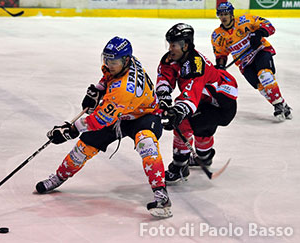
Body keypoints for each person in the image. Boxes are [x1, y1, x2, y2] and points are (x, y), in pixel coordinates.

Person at [35, 36, 172, 218]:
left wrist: (70, 130)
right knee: (83, 148)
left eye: (112, 61)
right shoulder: (126, 63)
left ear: (125, 60)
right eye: (106, 59)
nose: (108, 64)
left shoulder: (124, 90)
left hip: (144, 115)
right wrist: (99, 89)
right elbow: (108, 77)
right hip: (120, 114)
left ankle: (161, 195)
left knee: (146, 144)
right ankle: (59, 177)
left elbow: (97, 120)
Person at [156, 23, 238, 183]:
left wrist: (176, 112)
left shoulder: (195, 66)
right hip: (206, 100)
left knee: (184, 123)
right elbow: (165, 76)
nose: (170, 49)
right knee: (202, 129)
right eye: (169, 44)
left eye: (174, 45)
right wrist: (164, 97)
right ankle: (205, 157)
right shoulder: (172, 58)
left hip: (222, 105)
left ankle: (179, 167)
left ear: (185, 45)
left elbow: (190, 96)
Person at [211, 2, 292, 122]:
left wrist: (259, 33)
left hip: (260, 52)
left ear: (231, 14)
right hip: (244, 63)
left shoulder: (245, 20)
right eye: (221, 14)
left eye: (226, 14)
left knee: (265, 75)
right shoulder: (217, 35)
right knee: (261, 87)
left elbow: (268, 25)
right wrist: (221, 66)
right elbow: (221, 54)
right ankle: (283, 105)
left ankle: (277, 105)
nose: (223, 17)